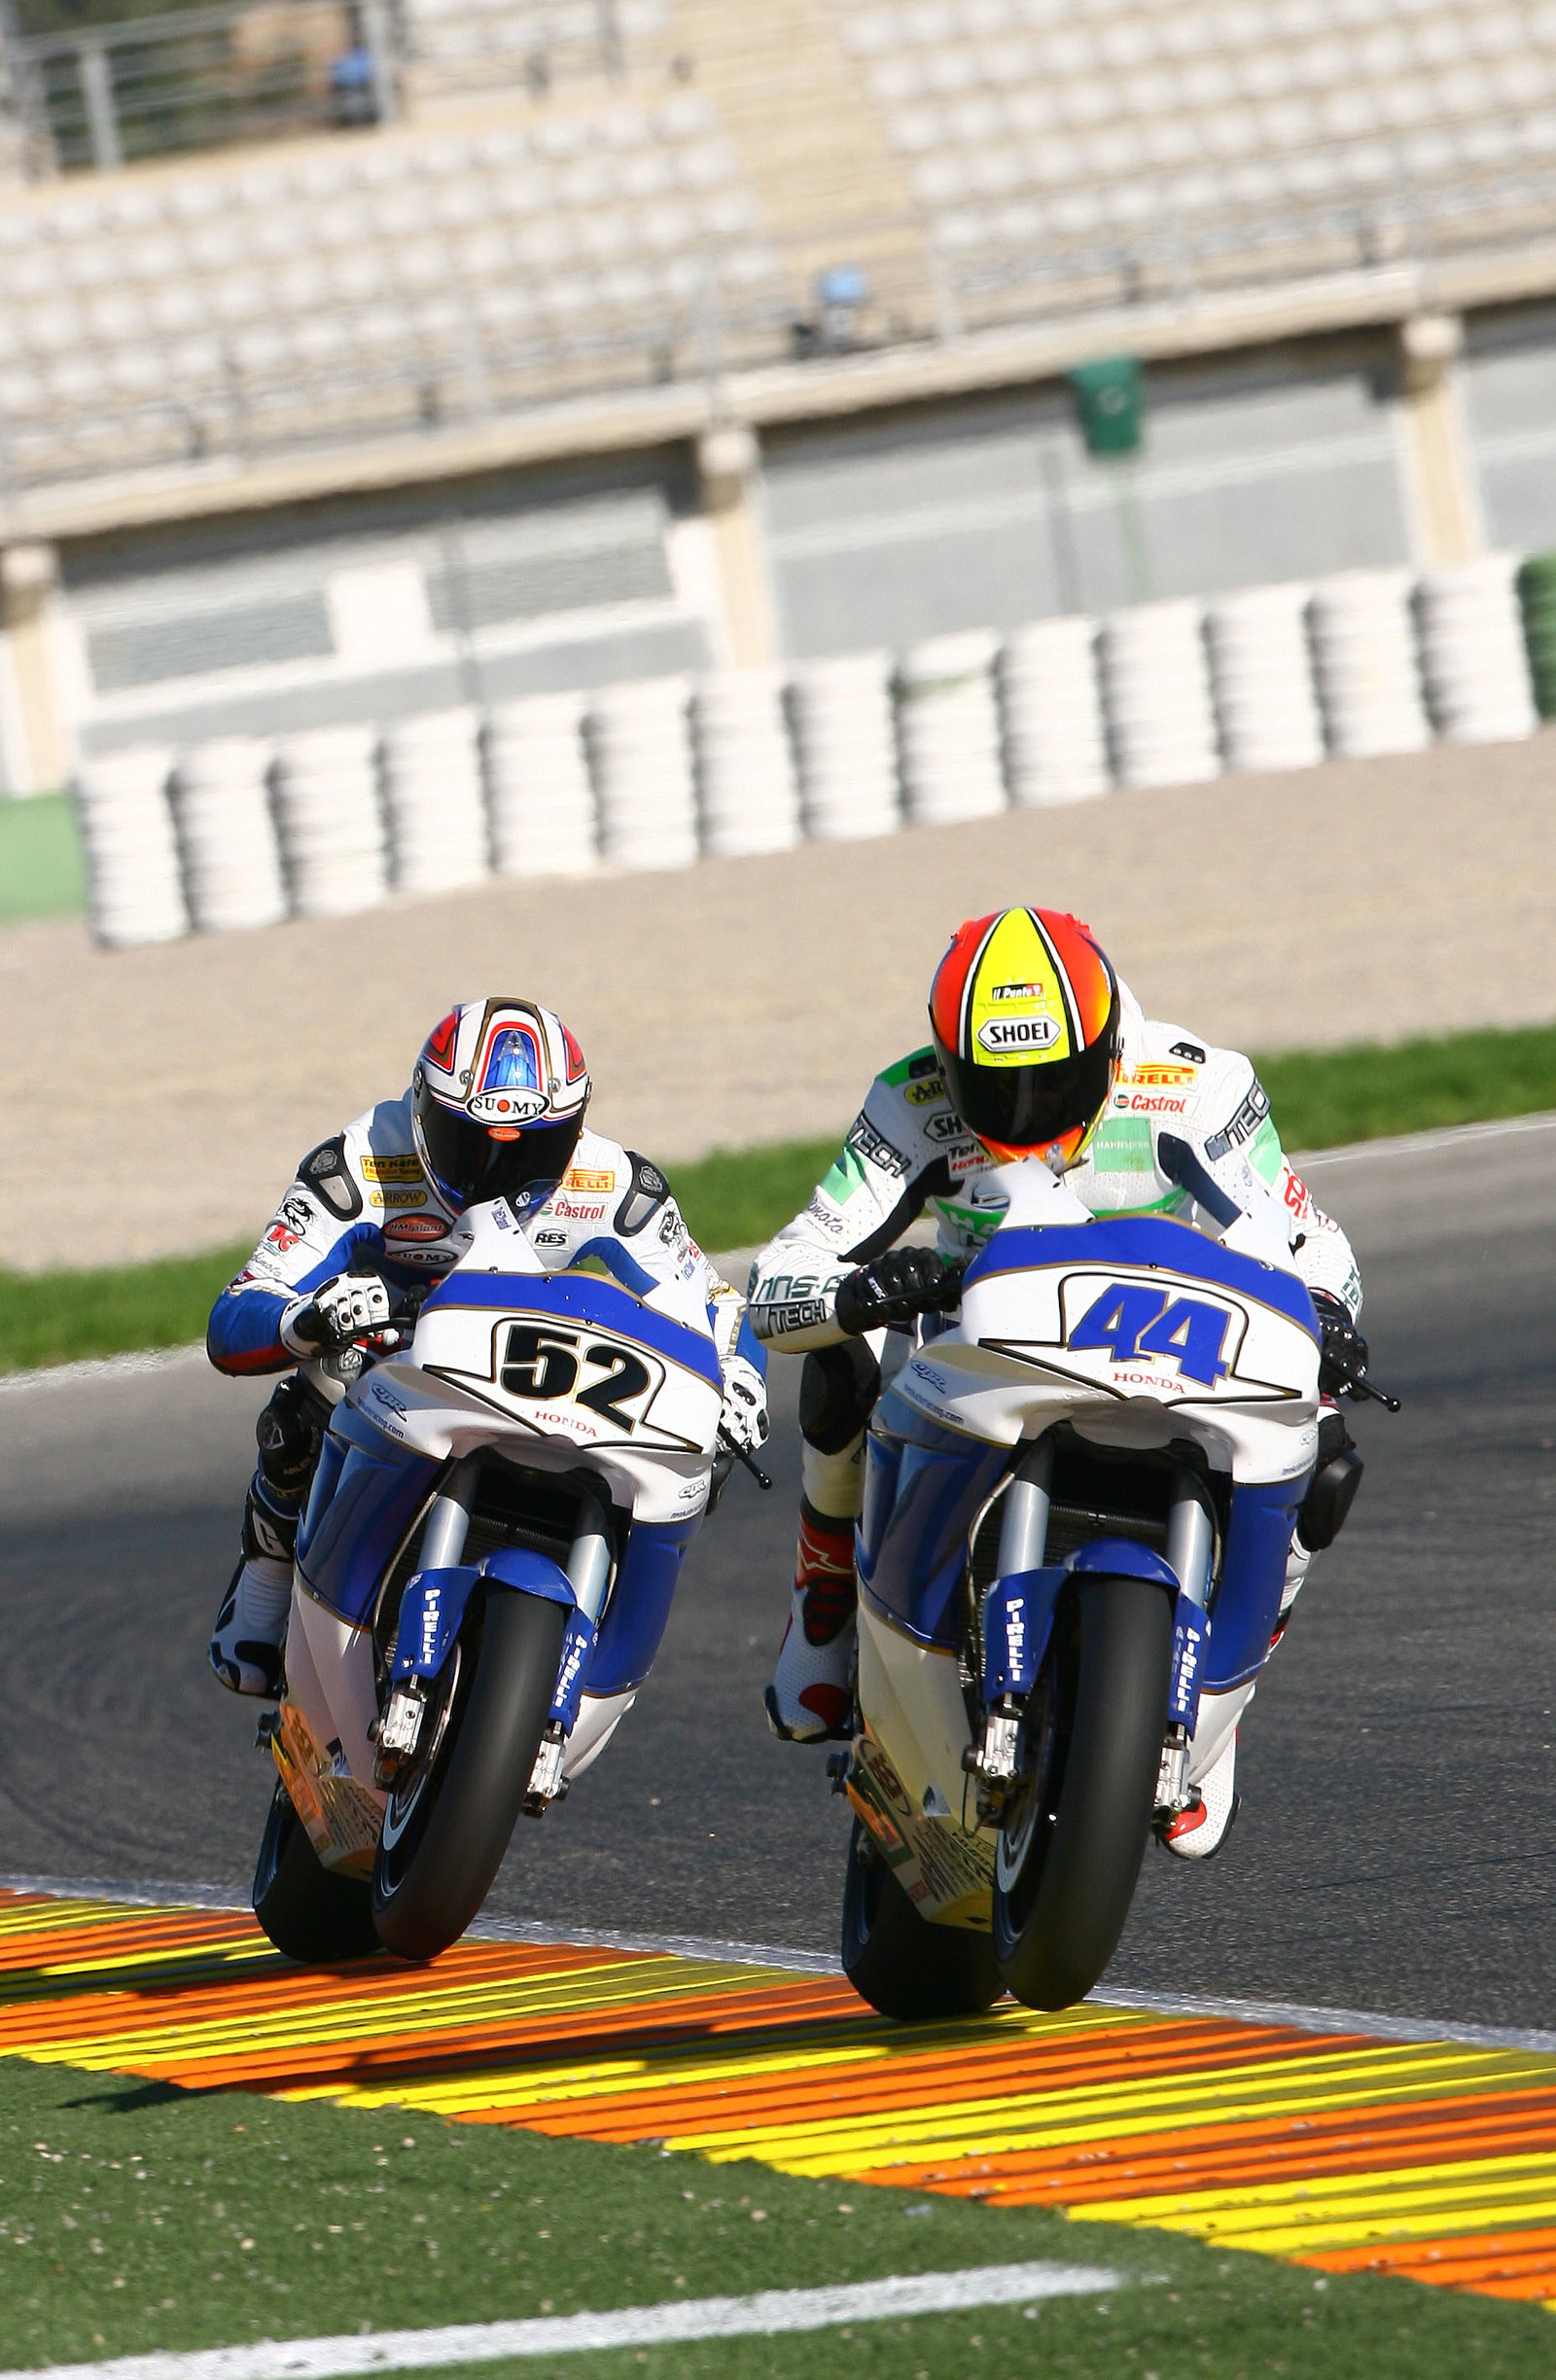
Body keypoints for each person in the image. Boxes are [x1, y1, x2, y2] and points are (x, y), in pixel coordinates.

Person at [748, 906, 1367, 1860]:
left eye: (1054, 1079)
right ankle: (824, 1598)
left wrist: (1329, 1310)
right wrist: (863, 1286)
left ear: (1108, 1042)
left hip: (1175, 1343)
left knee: (1319, 1430)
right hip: (985, 1346)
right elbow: (786, 1271)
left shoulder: (1196, 1083)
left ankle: (1226, 1688)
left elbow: (1308, 1238)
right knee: (844, 1352)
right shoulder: (909, 1100)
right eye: (994, 1086)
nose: (1027, 1110)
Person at [207, 997, 768, 1696]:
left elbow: (713, 1301)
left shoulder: (614, 1182)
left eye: (534, 1148)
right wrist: (311, 1318)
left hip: (533, 1371)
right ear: (420, 1110)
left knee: (692, 1451)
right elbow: (237, 1308)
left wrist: (742, 1377)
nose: (500, 1172)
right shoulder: (360, 1162)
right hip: (398, 1361)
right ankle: (268, 1565)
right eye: (469, 1142)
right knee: (315, 1389)